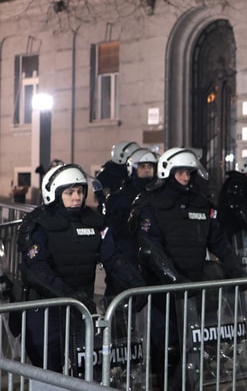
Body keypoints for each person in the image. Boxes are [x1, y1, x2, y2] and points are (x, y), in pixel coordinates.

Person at [131, 147, 247, 388]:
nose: (185, 178)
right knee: (169, 347)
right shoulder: (150, 202)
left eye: (189, 173)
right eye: (180, 172)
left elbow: (219, 241)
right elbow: (149, 246)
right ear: (168, 172)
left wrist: (236, 270)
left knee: (193, 345)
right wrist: (175, 280)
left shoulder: (201, 203)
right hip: (163, 290)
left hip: (194, 288)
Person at [18, 164, 144, 372]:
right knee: (48, 372)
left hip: (81, 309)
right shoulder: (38, 224)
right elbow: (36, 270)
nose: (76, 197)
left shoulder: (94, 222)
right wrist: (69, 294)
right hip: (46, 311)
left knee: (83, 369)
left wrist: (135, 283)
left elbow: (113, 258)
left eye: (80, 191)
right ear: (54, 193)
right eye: (70, 192)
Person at [103, 147, 158, 297]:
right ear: (133, 168)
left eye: (150, 166)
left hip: (151, 257)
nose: (147, 170)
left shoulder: (159, 196)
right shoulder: (119, 197)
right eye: (142, 166)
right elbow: (112, 231)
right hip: (126, 255)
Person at [217, 156, 247, 244]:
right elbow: (238, 206)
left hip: (232, 228)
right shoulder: (238, 183)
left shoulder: (237, 182)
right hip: (235, 229)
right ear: (244, 169)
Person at [95, 140, 141, 209]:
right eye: (132, 157)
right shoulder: (105, 177)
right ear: (121, 157)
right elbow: (107, 200)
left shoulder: (131, 173)